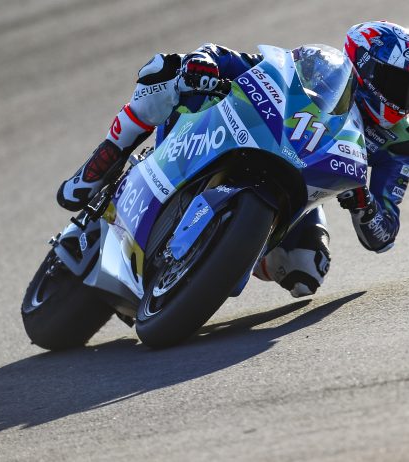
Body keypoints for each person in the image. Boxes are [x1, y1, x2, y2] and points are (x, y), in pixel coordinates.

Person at [57, 20, 409, 298]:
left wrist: (363, 204)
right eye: (398, 83)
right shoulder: (320, 69)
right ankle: (103, 161)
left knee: (307, 270)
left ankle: (226, 252)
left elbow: (383, 235)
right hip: (236, 129)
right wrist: (205, 62)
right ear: (366, 66)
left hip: (299, 181)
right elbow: (246, 63)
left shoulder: (400, 142)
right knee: (164, 69)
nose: (403, 98)